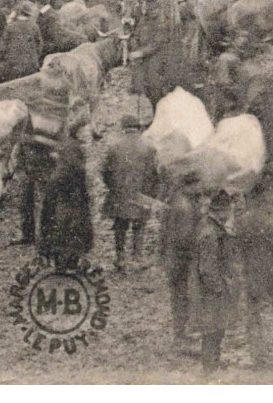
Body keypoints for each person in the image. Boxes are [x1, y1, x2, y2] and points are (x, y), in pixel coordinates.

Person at [99, 114, 158, 271]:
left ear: (123, 128)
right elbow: (154, 173)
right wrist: (150, 193)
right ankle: (138, 257)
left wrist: (112, 186)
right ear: (138, 127)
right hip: (141, 193)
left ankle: (120, 258)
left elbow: (104, 171)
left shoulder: (113, 146)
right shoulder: (149, 146)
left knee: (120, 225)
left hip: (120, 193)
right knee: (140, 225)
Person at [192, 190, 237, 374]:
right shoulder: (210, 233)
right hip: (212, 291)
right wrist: (220, 288)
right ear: (222, 211)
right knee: (212, 330)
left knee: (217, 329)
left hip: (214, 288)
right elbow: (207, 268)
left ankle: (213, 364)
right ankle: (209, 368)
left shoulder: (211, 227)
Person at [37, 134, 94, 270]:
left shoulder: (56, 175)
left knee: (59, 238)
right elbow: (85, 194)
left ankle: (60, 264)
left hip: (60, 212)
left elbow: (48, 204)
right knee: (74, 238)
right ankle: (71, 262)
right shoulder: (79, 172)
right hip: (74, 212)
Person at [162, 183, 203, 349]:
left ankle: (181, 332)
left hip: (173, 255)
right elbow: (184, 237)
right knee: (181, 295)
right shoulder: (185, 206)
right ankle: (180, 335)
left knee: (179, 295)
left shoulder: (176, 199)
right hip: (180, 257)